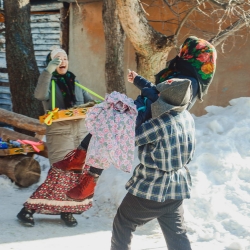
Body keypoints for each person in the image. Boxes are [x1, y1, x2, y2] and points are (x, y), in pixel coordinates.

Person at [52, 35, 217, 203]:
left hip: (146, 119)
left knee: (109, 131)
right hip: (140, 110)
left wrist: (145, 91)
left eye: (186, 51)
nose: (181, 54)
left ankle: (88, 180)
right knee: (105, 121)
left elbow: (163, 102)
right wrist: (139, 81)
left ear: (193, 55)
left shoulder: (188, 83)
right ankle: (79, 161)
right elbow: (158, 91)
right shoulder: (183, 74)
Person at [110, 78, 195, 250]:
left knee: (124, 221)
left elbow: (128, 140)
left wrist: (131, 115)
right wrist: (138, 81)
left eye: (160, 94)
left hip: (153, 185)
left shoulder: (159, 124)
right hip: (177, 187)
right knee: (177, 234)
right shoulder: (186, 117)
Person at [16, 48, 95, 227]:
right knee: (59, 175)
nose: (63, 61)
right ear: (51, 63)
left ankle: (66, 211)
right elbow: (39, 95)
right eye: (57, 59)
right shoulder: (49, 82)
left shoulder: (76, 82)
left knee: (76, 176)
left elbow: (92, 104)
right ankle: (28, 209)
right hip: (60, 134)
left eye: (65, 57)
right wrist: (47, 72)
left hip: (80, 135)